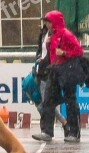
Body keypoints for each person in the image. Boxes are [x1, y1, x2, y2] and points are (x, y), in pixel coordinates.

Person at [32, 10, 83, 144]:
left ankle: (74, 132)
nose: (46, 24)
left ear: (54, 22)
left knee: (70, 101)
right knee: (48, 100)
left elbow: (79, 51)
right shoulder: (52, 35)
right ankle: (47, 132)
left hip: (67, 71)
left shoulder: (66, 34)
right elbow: (52, 54)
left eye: (48, 22)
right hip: (54, 70)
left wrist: (64, 53)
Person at [33, 21, 67, 136]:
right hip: (42, 70)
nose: (47, 24)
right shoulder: (44, 33)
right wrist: (39, 59)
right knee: (46, 102)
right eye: (46, 21)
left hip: (50, 71)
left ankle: (48, 130)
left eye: (49, 22)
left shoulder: (58, 35)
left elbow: (54, 53)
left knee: (47, 102)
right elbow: (41, 51)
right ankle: (61, 123)